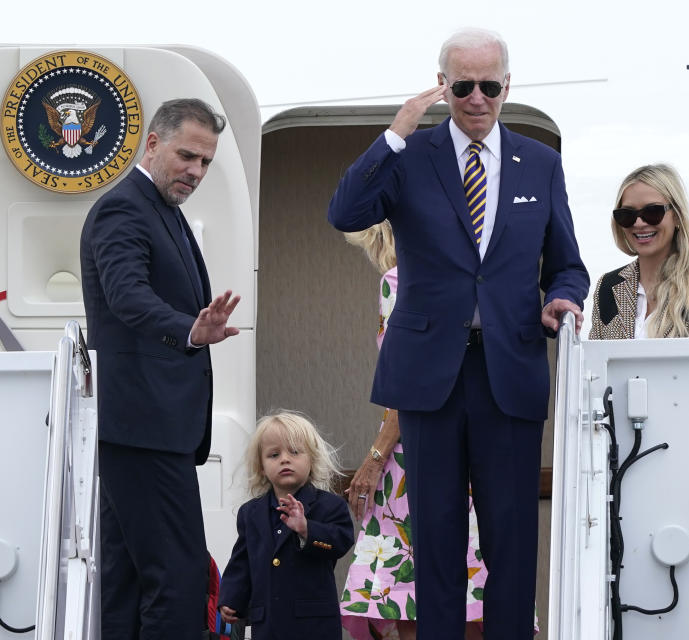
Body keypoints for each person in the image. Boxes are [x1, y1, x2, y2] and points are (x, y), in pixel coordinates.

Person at [328, 28, 589, 639]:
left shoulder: (540, 163)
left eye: (489, 86)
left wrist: (562, 299)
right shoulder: (410, 157)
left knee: (511, 539)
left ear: (507, 87)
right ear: (444, 84)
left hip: (510, 369)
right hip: (429, 375)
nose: (477, 98)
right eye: (463, 85)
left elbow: (568, 264)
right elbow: (344, 212)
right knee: (438, 541)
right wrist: (395, 133)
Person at [80, 98, 241, 639]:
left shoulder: (162, 210)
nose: (196, 172)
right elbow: (127, 296)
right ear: (152, 143)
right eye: (187, 156)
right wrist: (191, 330)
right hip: (142, 426)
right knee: (177, 577)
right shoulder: (123, 208)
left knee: (126, 581)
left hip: (148, 429)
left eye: (205, 163)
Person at [340, 222, 486, 640]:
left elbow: (406, 385)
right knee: (471, 594)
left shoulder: (399, 281)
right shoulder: (470, 277)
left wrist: (373, 459)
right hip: (475, 449)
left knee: (412, 597)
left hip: (417, 459)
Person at [218, 411, 354, 639]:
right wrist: (231, 597)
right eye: (273, 454)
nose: (284, 459)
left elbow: (341, 541)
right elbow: (241, 561)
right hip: (268, 624)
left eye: (294, 452)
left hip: (314, 626)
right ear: (261, 467)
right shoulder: (251, 513)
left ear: (311, 460)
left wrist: (306, 529)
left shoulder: (330, 505)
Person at [588, 164, 689, 339]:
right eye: (627, 214)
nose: (639, 223)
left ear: (677, 216)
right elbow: (595, 362)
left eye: (652, 212)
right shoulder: (607, 286)